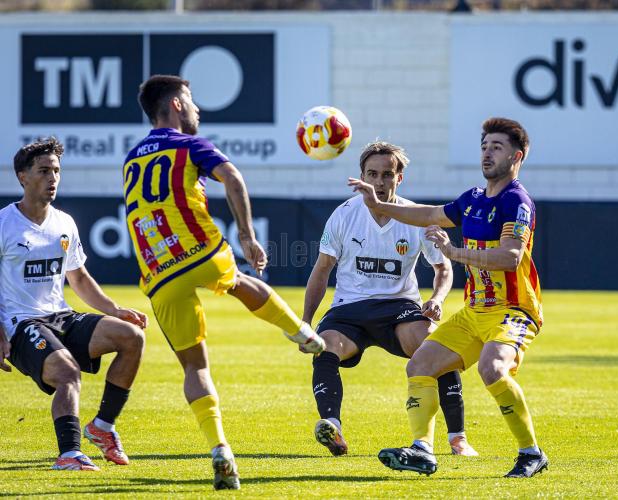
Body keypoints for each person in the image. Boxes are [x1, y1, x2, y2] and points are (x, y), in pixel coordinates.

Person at [124, 75, 325, 490]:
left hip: (157, 270)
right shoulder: (189, 144)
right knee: (239, 282)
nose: (197, 109)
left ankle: (219, 449)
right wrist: (247, 236)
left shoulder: (130, 158)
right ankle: (301, 332)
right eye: (191, 101)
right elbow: (233, 178)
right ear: (176, 104)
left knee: (195, 367)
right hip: (196, 246)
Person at [349, 117, 548, 478]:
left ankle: (531, 453)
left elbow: (510, 257)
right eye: (484, 146)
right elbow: (428, 214)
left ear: (516, 156)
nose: (487, 153)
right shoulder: (472, 199)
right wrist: (379, 205)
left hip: (513, 310)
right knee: (419, 366)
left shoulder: (516, 201)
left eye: (497, 147)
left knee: (492, 368)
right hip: (474, 312)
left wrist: (454, 253)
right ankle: (422, 450)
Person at [304, 141, 477, 457]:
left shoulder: (417, 217)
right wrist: (305, 323)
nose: (379, 182)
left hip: (398, 308)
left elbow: (443, 268)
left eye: (387, 174)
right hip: (349, 310)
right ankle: (332, 426)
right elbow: (322, 270)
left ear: (400, 178)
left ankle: (458, 438)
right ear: (361, 177)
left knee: (435, 346)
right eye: (372, 174)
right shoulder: (343, 215)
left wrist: (437, 298)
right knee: (324, 347)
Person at [0, 138, 147, 471]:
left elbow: (79, 278)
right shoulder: (4, 224)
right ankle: (69, 454)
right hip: (22, 325)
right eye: (43, 171)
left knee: (132, 337)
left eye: (56, 170)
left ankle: (103, 427)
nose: (52, 178)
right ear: (22, 176)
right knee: (68, 372)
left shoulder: (64, 222)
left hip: (61, 316)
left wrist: (114, 310)